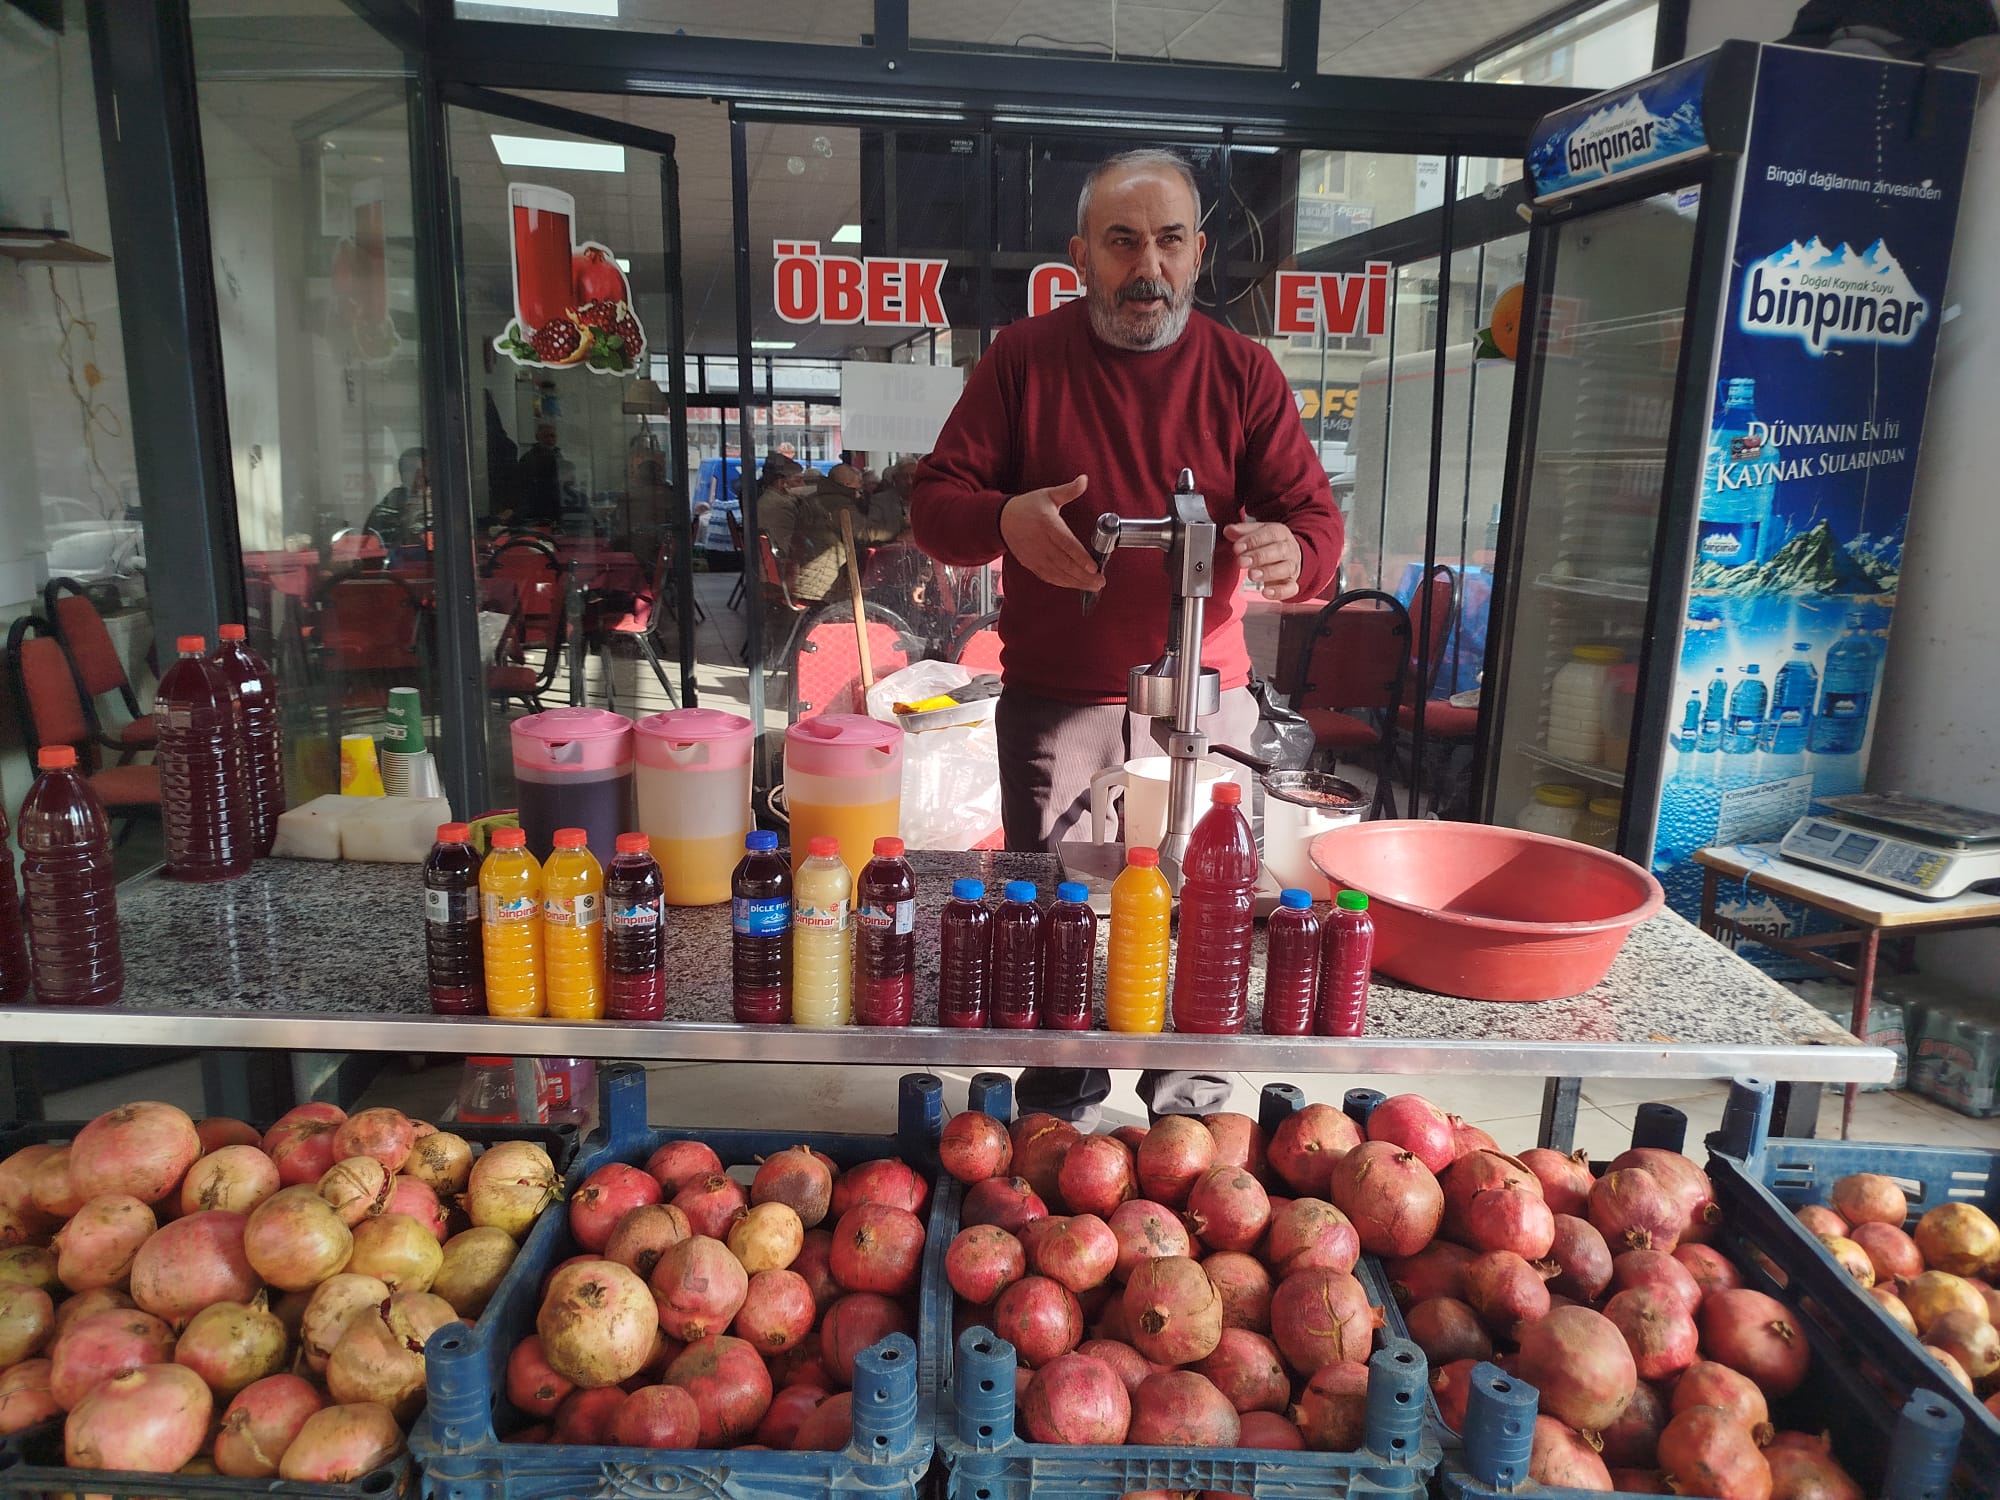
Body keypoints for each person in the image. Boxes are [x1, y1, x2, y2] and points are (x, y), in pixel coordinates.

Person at [910, 148, 1343, 1128]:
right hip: (1060, 714)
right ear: (1078, 258)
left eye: (1167, 241)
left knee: (1202, 920)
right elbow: (935, 503)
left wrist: (1290, 549)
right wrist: (1002, 520)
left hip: (1208, 707)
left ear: (1196, 255)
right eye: (1120, 242)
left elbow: (1313, 523)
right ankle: (1059, 1115)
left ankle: (1189, 1121)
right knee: (1060, 926)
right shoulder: (1021, 361)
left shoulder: (1243, 374)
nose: (1144, 266)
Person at [365, 448, 429, 546]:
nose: (419, 475)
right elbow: (374, 549)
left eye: (424, 469)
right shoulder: (384, 511)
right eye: (411, 469)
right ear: (401, 474)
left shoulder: (446, 506)